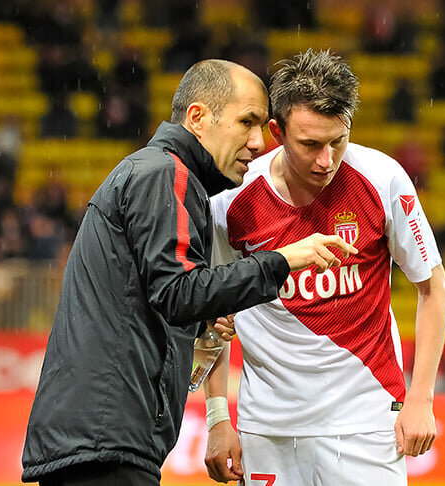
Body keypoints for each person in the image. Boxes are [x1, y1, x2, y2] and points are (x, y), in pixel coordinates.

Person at [21, 59, 357, 486]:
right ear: (198, 118)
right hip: (105, 439)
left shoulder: (157, 173)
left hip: (99, 436)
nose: (258, 143)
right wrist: (282, 260)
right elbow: (177, 293)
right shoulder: (165, 174)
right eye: (246, 122)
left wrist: (204, 320)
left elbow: (149, 296)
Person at [205, 50, 445, 485]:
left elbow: (434, 290)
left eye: (338, 141)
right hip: (269, 427)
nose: (326, 160)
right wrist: (217, 417)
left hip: (367, 422)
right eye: (310, 144)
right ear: (277, 132)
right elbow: (213, 310)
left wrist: (422, 398)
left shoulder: (383, 179)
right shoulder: (231, 199)